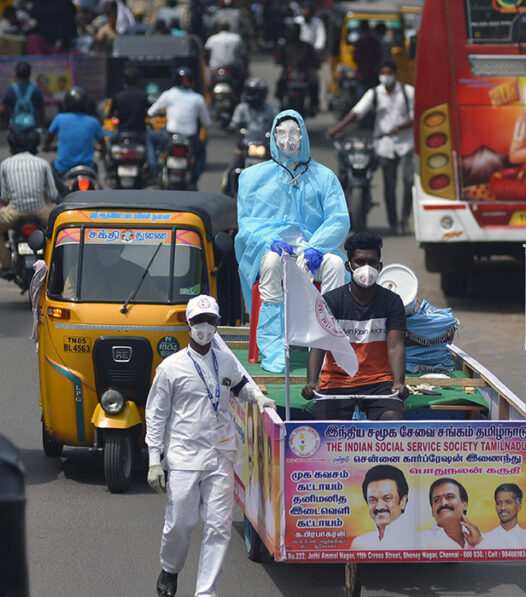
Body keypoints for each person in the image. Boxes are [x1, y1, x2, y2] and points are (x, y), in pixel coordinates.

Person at [145, 295, 275, 597]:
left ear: (217, 324)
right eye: (198, 321)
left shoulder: (226, 360)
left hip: (221, 454)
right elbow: (156, 415)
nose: (204, 327)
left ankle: (206, 592)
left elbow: (242, 385)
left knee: (219, 528)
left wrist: (258, 399)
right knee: (181, 523)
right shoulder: (170, 368)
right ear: (188, 324)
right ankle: (170, 567)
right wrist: (154, 459)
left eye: (210, 321)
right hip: (184, 455)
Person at [235, 110, 348, 373]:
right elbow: (247, 223)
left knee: (335, 265)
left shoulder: (324, 177)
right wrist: (269, 241)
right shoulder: (252, 178)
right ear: (273, 136)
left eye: (294, 132)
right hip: (273, 251)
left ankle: (326, 345)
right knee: (272, 263)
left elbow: (339, 218)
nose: (288, 139)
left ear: (303, 135)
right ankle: (274, 346)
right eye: (282, 133)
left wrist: (316, 247)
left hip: (311, 250)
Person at [302, 231, 410, 419]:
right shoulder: (331, 301)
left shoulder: (392, 302)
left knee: (393, 419)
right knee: (325, 426)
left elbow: (395, 346)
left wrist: (399, 383)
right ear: (349, 266)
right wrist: (311, 382)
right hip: (337, 382)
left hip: (380, 382)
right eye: (360, 262)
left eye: (372, 262)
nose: (366, 268)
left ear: (380, 266)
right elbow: (318, 346)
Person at [327, 60, 415, 235]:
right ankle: (393, 222)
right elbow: (356, 112)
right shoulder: (374, 93)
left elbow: (416, 116)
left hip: (406, 144)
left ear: (395, 74)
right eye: (383, 73)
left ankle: (404, 218)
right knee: (389, 186)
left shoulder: (408, 92)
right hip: (384, 145)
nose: (385, 77)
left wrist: (400, 127)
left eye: (388, 73)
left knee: (408, 181)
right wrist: (337, 128)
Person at [0, 129, 61, 279]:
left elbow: (5, 196)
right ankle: (56, 261)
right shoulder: (43, 163)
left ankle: (7, 265)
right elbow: (53, 194)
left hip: (14, 212)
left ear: (12, 147)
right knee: (61, 228)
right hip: (41, 211)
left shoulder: (6, 164)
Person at [146, 67, 211, 186]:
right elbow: (206, 122)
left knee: (150, 137)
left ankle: (154, 168)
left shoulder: (168, 95)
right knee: (201, 151)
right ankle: (195, 178)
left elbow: (151, 112)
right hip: (190, 138)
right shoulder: (198, 99)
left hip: (169, 135)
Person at [223, 77, 276, 195]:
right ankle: (228, 194)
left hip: (266, 149)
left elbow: (278, 125)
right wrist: (230, 128)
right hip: (245, 148)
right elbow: (234, 124)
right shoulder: (241, 108)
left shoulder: (271, 110)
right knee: (232, 170)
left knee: (280, 171)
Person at [350, 465, 416, 550]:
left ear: (403, 501)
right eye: (373, 500)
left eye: (387, 498)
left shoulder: (416, 542)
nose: (379, 507)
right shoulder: (359, 544)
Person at [44, 86, 104, 176]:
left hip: (63, 168)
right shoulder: (93, 121)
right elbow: (103, 145)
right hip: (87, 167)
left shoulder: (59, 118)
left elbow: (47, 141)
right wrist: (99, 148)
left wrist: (46, 147)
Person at [419, 477, 482, 549]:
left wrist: (478, 544)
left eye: (450, 497)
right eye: (437, 500)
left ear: (464, 504)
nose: (443, 503)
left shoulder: (483, 539)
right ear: (432, 511)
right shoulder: (421, 540)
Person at [275, 22, 318, 114]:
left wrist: (314, 64)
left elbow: (314, 58)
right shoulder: (284, 46)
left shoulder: (306, 46)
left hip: (304, 72)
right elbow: (278, 57)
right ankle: (281, 101)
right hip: (289, 72)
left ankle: (314, 105)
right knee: (281, 81)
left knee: (315, 81)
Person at [478, 483, 526, 549]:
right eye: (499, 503)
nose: (503, 508)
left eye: (508, 502)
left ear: (519, 506)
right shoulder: (485, 539)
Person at [1, 61, 46, 131]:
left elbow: (2, 108)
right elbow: (42, 112)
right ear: (29, 74)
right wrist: (41, 127)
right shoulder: (36, 90)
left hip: (15, 129)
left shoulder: (10, 90)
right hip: (32, 129)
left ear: (16, 74)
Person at [108, 67, 149, 135]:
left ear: (124, 80)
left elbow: (110, 113)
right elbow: (150, 111)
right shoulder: (144, 96)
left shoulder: (118, 96)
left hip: (121, 132)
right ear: (137, 80)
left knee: (109, 138)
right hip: (140, 133)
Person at [352, 21, 382, 94]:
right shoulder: (374, 40)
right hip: (372, 74)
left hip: (362, 74)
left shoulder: (359, 41)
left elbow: (355, 58)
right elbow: (379, 57)